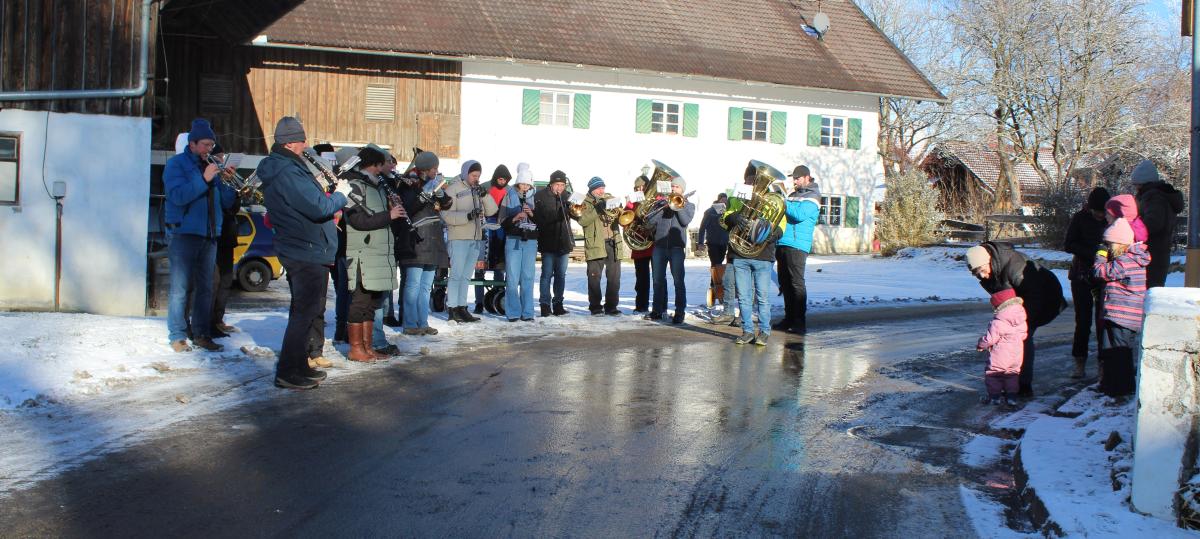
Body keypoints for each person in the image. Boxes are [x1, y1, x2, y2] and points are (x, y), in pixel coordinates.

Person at [257, 116, 351, 389]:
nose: (305, 144)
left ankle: (298, 366)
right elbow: (318, 207)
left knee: (305, 312)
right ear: (290, 143)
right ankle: (288, 371)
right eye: (301, 140)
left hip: (303, 247)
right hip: (304, 248)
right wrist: (341, 195)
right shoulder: (287, 170)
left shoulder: (287, 167)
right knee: (303, 313)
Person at [162, 118, 238, 353]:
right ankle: (177, 335)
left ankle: (202, 333)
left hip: (210, 234)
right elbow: (178, 196)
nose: (209, 149)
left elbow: (226, 203)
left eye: (211, 145)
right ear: (192, 144)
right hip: (184, 233)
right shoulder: (176, 165)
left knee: (206, 288)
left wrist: (228, 183)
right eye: (205, 144)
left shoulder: (211, 167)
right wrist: (203, 179)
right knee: (180, 288)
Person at [965, 241, 1066, 397]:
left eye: (983, 271)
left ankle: (1023, 386)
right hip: (1019, 303)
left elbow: (1035, 297)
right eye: (976, 274)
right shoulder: (991, 271)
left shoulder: (1015, 266)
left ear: (989, 260)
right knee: (1006, 341)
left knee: (1021, 340)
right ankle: (1009, 383)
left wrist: (1018, 323)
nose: (982, 276)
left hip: (1046, 298)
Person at [340, 145, 405, 362]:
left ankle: (368, 348)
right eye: (379, 165)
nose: (381, 170)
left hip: (378, 253)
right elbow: (358, 220)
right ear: (371, 165)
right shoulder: (355, 186)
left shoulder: (378, 187)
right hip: (363, 253)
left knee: (372, 303)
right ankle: (356, 348)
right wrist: (389, 215)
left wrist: (393, 210)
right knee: (360, 301)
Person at [1092, 218, 1149, 397]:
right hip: (1123, 315)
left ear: (1120, 244)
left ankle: (1122, 388)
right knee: (1114, 351)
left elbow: (1100, 272)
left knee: (1119, 353)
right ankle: (1112, 385)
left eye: (1110, 245)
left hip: (1122, 315)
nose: (1108, 249)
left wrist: (1100, 255)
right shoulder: (1133, 259)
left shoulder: (1126, 261)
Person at [397, 151, 451, 336]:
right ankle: (409, 323)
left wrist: (441, 194)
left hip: (434, 239)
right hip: (416, 239)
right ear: (425, 169)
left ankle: (423, 321)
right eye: (433, 168)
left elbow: (447, 204)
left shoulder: (435, 182)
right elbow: (408, 208)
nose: (436, 171)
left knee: (426, 286)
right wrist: (424, 193)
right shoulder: (409, 184)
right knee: (413, 284)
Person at [723, 187, 783, 345]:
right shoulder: (737, 197)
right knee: (744, 297)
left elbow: (781, 227)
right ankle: (747, 331)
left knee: (762, 297)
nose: (752, 184)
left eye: (754, 180)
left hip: (762, 255)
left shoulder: (774, 201)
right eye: (749, 180)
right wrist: (735, 217)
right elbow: (725, 219)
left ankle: (764, 331)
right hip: (740, 254)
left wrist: (768, 234)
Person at [442, 160, 499, 323]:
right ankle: (452, 308)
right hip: (458, 237)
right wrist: (467, 216)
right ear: (466, 173)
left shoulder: (477, 190)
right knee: (456, 274)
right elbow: (446, 215)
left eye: (478, 176)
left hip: (475, 238)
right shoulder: (453, 189)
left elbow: (492, 210)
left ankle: (462, 307)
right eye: (473, 175)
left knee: (466, 276)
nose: (476, 178)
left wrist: (485, 195)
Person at [1062, 187, 1109, 378]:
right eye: (1097, 211)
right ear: (1090, 208)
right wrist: (1092, 253)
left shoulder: (1112, 220)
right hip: (1081, 274)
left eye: (1103, 212)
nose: (1100, 215)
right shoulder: (1080, 218)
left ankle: (1103, 364)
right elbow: (1068, 244)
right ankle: (1079, 362)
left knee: (1102, 321)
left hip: (1103, 276)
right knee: (1082, 321)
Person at [645, 173, 695, 324]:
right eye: (672, 186)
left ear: (682, 189)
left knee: (678, 281)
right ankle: (657, 310)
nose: (673, 189)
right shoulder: (661, 203)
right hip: (659, 247)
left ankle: (680, 312)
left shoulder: (689, 205)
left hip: (676, 248)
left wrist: (677, 206)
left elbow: (685, 221)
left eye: (677, 187)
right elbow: (650, 221)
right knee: (657, 280)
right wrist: (662, 207)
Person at [776, 165, 820, 333]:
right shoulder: (793, 195)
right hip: (783, 242)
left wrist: (783, 201)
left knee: (796, 284)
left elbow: (798, 215)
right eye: (793, 178)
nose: (794, 181)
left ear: (807, 177)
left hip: (797, 245)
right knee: (785, 283)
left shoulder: (813, 197)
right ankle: (789, 318)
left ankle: (799, 321)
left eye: (797, 178)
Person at [1131, 160, 1184, 288]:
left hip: (1152, 254)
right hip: (1157, 254)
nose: (1135, 187)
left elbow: (1152, 223)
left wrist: (1132, 229)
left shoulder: (1154, 198)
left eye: (1137, 184)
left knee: (1149, 291)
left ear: (1143, 183)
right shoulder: (1156, 196)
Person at [576, 176, 624, 316]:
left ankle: (611, 307)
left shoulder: (609, 198)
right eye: (598, 189)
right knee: (594, 277)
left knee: (614, 278)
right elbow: (583, 220)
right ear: (592, 190)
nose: (601, 191)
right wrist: (598, 209)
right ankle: (595, 307)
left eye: (603, 188)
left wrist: (619, 208)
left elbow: (621, 219)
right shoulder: (583, 202)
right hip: (596, 244)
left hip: (613, 242)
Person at [208, 143, 241, 340]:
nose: (222, 160)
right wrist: (228, 183)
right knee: (215, 280)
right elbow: (225, 202)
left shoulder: (224, 180)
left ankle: (218, 318)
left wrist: (239, 192)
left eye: (223, 156)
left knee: (226, 279)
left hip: (228, 234)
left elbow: (233, 206)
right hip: (217, 234)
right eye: (219, 157)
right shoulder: (216, 179)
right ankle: (210, 320)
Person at [499, 163, 539, 321]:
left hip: (530, 240)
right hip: (513, 239)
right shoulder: (509, 196)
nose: (525, 188)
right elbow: (502, 220)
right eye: (522, 184)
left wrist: (532, 214)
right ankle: (513, 312)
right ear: (517, 183)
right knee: (512, 276)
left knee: (528, 276)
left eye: (528, 185)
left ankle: (528, 312)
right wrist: (515, 218)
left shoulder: (535, 197)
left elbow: (543, 221)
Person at [976, 289, 1027, 407]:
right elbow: (1024, 335)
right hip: (1017, 354)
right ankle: (1011, 398)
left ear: (999, 306)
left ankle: (995, 397)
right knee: (1012, 374)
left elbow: (989, 340)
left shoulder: (998, 322)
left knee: (994, 374)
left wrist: (980, 344)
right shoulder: (1021, 320)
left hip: (1001, 355)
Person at [533, 170, 574, 317]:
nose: (560, 188)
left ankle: (558, 305)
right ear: (551, 184)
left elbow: (577, 215)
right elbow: (538, 219)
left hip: (564, 241)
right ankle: (545, 305)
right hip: (548, 241)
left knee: (561, 275)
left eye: (562, 185)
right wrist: (555, 216)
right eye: (557, 184)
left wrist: (575, 209)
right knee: (546, 275)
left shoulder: (568, 196)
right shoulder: (540, 196)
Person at [474, 165, 511, 314]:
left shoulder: (509, 190)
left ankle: (498, 296)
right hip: (485, 227)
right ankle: (478, 302)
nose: (502, 181)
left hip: (501, 228)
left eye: (505, 179)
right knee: (480, 266)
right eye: (500, 179)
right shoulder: (485, 187)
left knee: (499, 266)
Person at [698, 193, 730, 312]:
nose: (724, 203)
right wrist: (700, 242)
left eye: (726, 201)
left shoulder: (727, 212)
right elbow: (702, 228)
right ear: (718, 200)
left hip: (724, 243)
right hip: (713, 243)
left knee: (720, 267)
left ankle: (718, 290)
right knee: (716, 266)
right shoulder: (710, 211)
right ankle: (715, 291)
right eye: (723, 200)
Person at [628, 175, 654, 313]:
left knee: (658, 279)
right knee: (641, 279)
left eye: (642, 187)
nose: (640, 189)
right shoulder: (633, 201)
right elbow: (625, 219)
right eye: (637, 187)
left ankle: (659, 307)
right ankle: (641, 306)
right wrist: (629, 207)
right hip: (639, 245)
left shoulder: (656, 199)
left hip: (654, 244)